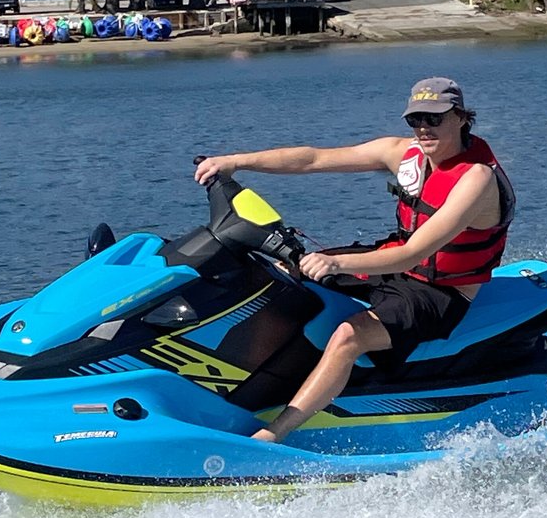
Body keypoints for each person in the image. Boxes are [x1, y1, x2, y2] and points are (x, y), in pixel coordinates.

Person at [194, 77, 514, 444]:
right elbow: (314, 159)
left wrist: (337, 264)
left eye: (435, 119)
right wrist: (235, 162)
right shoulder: (403, 153)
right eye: (416, 120)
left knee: (350, 334)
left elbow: (416, 253)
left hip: (440, 292)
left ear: (460, 117)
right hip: (391, 261)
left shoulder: (476, 179)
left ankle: (273, 434)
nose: (424, 129)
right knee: (281, 274)